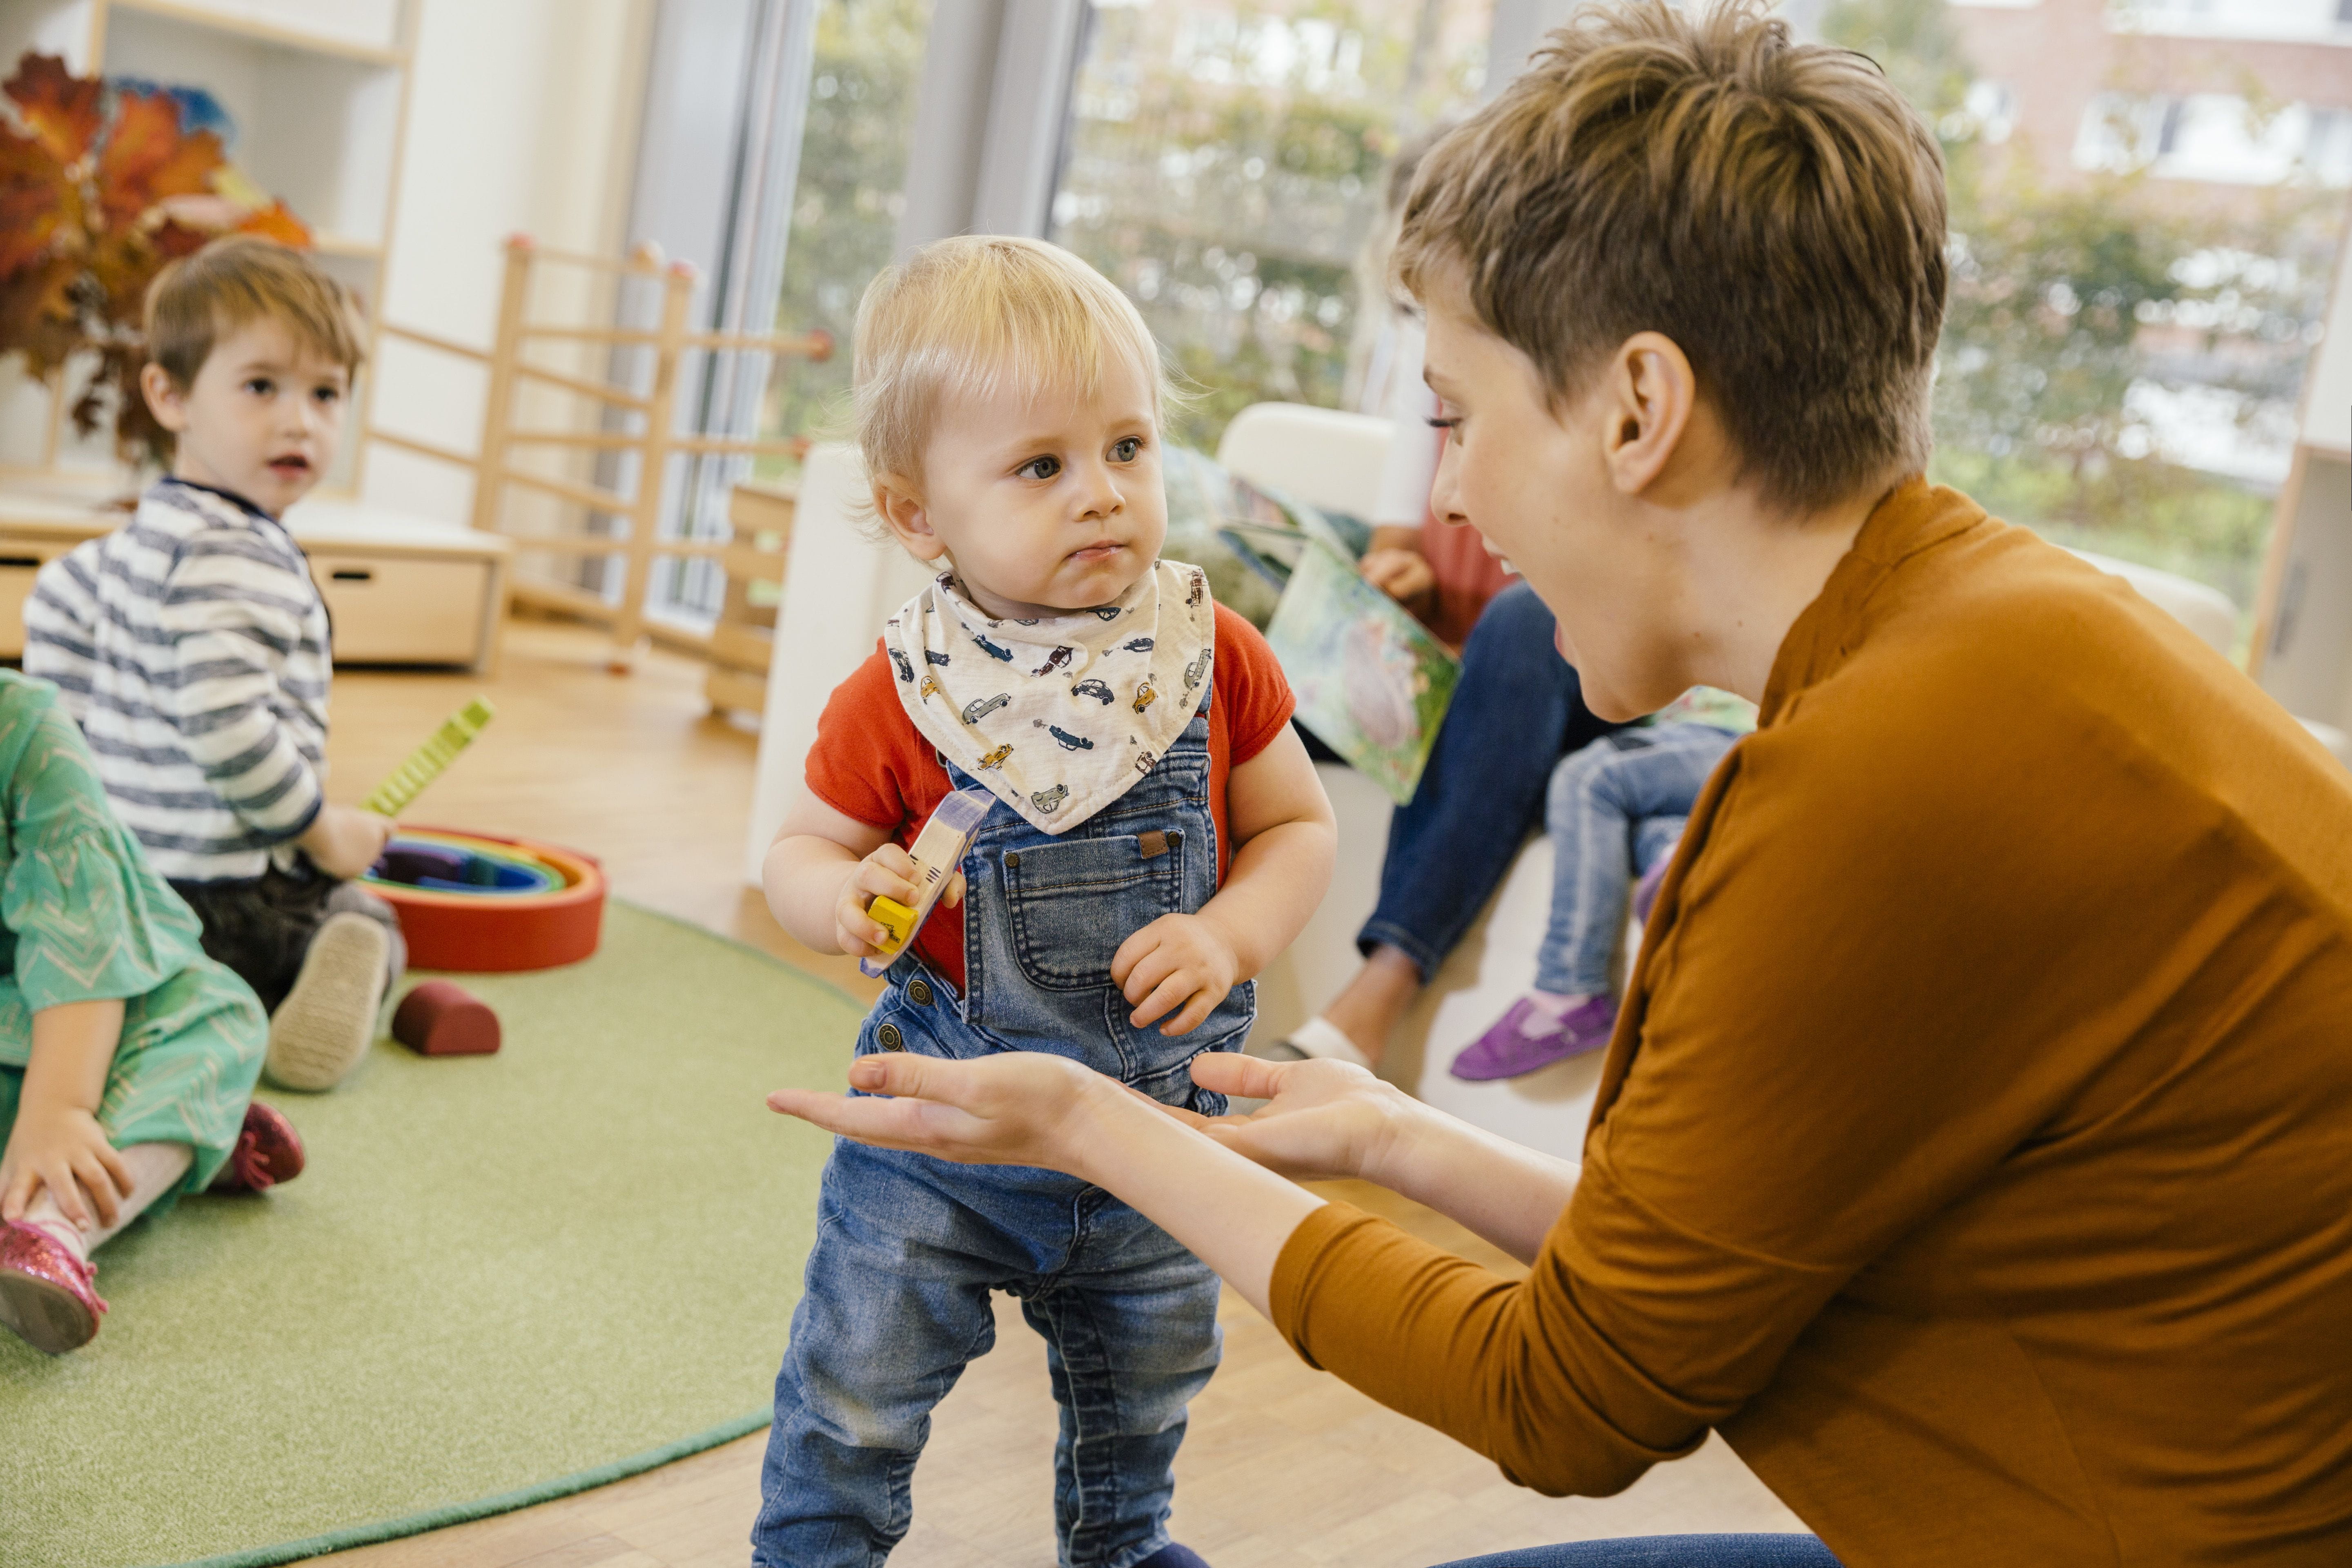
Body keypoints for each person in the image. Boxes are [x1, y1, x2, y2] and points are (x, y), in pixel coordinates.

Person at [764, 6, 2352, 1566]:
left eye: (1456, 415)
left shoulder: (1870, 790)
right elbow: (1672, 1285)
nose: (1446, 490)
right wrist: (1393, 1137)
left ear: (1639, 411)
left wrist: (1092, 1125)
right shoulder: (2017, 628)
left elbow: (1569, 1399)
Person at [752, 235, 1336, 1568]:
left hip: (1162, 1142)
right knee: (852, 1398)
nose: (1103, 497)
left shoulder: (1207, 652)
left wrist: (1231, 931)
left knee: (1146, 1405)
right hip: (943, 1148)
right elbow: (797, 851)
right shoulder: (904, 691)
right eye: (1042, 466)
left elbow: (1299, 826)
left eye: (1128, 448)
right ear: (918, 516)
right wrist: (844, 895)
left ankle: (1123, 1551)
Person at [1274, 133, 1632, 1076]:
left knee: (1522, 627)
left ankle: (1372, 1001)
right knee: (1256, 697)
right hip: (1444, 656)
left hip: (1547, 677)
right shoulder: (1429, 360)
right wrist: (1397, 573)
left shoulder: (1569, 361)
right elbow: (1406, 532)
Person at [25, 237, 406, 1095]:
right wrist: (324, 830)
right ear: (169, 395)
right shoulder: (244, 557)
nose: (300, 420)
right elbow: (228, 728)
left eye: (326, 393)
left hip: (120, 889)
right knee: (366, 914)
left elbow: (53, 661)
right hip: (229, 896)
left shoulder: (110, 555)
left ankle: (126, 997)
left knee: (126, 966)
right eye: (261, 386)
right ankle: (291, 980)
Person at [0, 669, 298, 1355]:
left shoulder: (26, 728)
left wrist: (61, 1108)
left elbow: (83, 938)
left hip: (80, 1008)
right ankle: (180, 1136)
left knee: (219, 1018)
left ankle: (48, 1227)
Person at [1451, 695, 1751, 1081]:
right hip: (1689, 740)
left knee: (1587, 776)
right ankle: (1679, 857)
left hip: (1743, 737)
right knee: (1626, 820)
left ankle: (1568, 986)